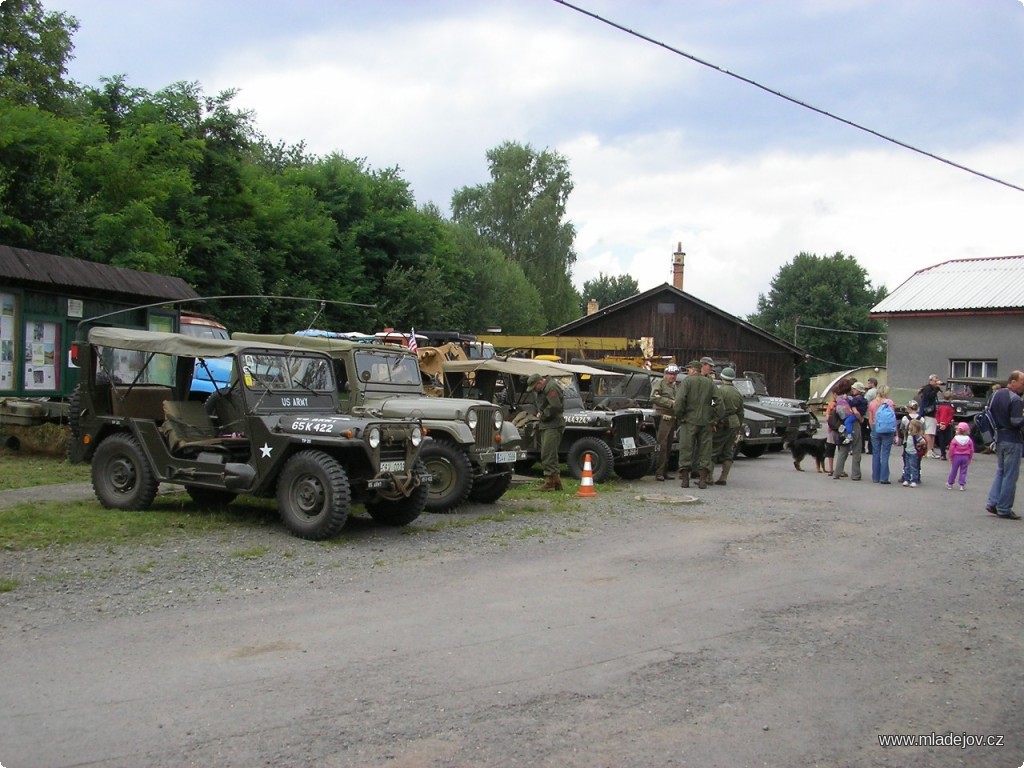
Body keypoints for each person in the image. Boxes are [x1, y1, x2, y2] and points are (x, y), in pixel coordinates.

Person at [985, 370, 1024, 520]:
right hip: (1012, 439)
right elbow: (1015, 421)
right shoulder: (1015, 400)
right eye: (1022, 383)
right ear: (1013, 381)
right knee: (1010, 474)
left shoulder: (996, 394)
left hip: (999, 437)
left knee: (1001, 471)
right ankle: (1004, 507)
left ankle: (993, 501)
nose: (1023, 386)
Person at [674, 359, 716, 489]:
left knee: (686, 449)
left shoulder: (687, 382)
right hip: (705, 422)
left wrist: (680, 416)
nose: (688, 371)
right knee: (705, 450)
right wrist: (714, 418)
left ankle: (685, 480)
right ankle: (703, 480)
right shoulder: (709, 383)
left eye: (689, 369)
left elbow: (680, 400)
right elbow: (719, 402)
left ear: (693, 370)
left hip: (689, 421)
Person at [527, 372, 565, 491]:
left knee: (548, 454)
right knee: (549, 454)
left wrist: (542, 415)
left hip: (552, 425)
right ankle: (556, 482)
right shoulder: (546, 388)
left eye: (534, 388)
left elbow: (555, 406)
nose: (534, 390)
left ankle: (549, 482)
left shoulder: (551, 387)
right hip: (548, 425)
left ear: (539, 382)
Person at [711, 367, 744, 486]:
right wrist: (738, 427)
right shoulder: (738, 392)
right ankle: (723, 477)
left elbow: (715, 407)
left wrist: (714, 421)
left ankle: (708, 477)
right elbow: (741, 412)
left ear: (722, 377)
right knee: (728, 451)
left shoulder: (720, 391)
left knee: (713, 449)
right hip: (734, 422)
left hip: (722, 422)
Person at [650, 365, 679, 481]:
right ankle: (659, 472)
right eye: (671, 374)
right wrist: (670, 402)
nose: (673, 376)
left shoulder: (675, 386)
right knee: (662, 444)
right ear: (666, 374)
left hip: (672, 417)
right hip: (663, 416)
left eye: (674, 374)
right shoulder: (660, 384)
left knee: (668, 446)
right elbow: (654, 397)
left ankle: (664, 471)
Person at [833, 381, 865, 481]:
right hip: (854, 424)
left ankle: (837, 473)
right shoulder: (851, 399)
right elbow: (856, 412)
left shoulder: (839, 399)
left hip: (843, 425)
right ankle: (855, 475)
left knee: (843, 450)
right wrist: (861, 419)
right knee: (856, 450)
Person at [868, 385, 897, 484]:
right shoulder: (890, 403)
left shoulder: (872, 403)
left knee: (876, 453)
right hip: (887, 430)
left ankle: (875, 477)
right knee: (885, 454)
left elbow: (870, 419)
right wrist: (895, 432)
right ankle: (884, 478)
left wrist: (873, 429)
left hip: (876, 428)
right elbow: (893, 418)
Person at [917, 374, 944, 458]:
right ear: (931, 380)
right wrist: (936, 388)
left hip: (933, 413)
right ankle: (928, 450)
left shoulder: (933, 388)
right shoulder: (928, 388)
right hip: (927, 413)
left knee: (932, 433)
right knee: (928, 432)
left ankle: (931, 450)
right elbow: (930, 396)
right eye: (935, 380)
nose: (937, 382)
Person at [946, 422, 975, 491]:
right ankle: (962, 485)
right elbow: (971, 449)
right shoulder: (969, 439)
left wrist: (950, 457)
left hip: (956, 456)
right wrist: (970, 457)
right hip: (965, 457)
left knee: (954, 470)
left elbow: (951, 449)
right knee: (963, 471)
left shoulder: (955, 439)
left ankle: (950, 483)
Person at [902, 419, 926, 488]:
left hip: (913, 453)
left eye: (910, 425)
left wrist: (918, 444)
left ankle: (914, 480)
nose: (909, 426)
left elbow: (923, 441)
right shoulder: (908, 434)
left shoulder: (916, 436)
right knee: (907, 466)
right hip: (907, 452)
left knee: (913, 467)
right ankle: (907, 479)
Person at [935, 391, 955, 460]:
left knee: (941, 440)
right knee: (948, 438)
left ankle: (943, 454)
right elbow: (950, 416)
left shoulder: (940, 405)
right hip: (947, 425)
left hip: (940, 424)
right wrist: (946, 424)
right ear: (950, 398)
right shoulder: (951, 406)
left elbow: (937, 414)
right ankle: (947, 453)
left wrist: (939, 422)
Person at [863, 377, 878, 454]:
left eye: (869, 383)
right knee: (874, 431)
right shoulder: (879, 392)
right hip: (877, 414)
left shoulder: (870, 392)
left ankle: (868, 448)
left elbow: (865, 401)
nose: (868, 384)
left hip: (868, 414)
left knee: (868, 432)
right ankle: (874, 448)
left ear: (872, 383)